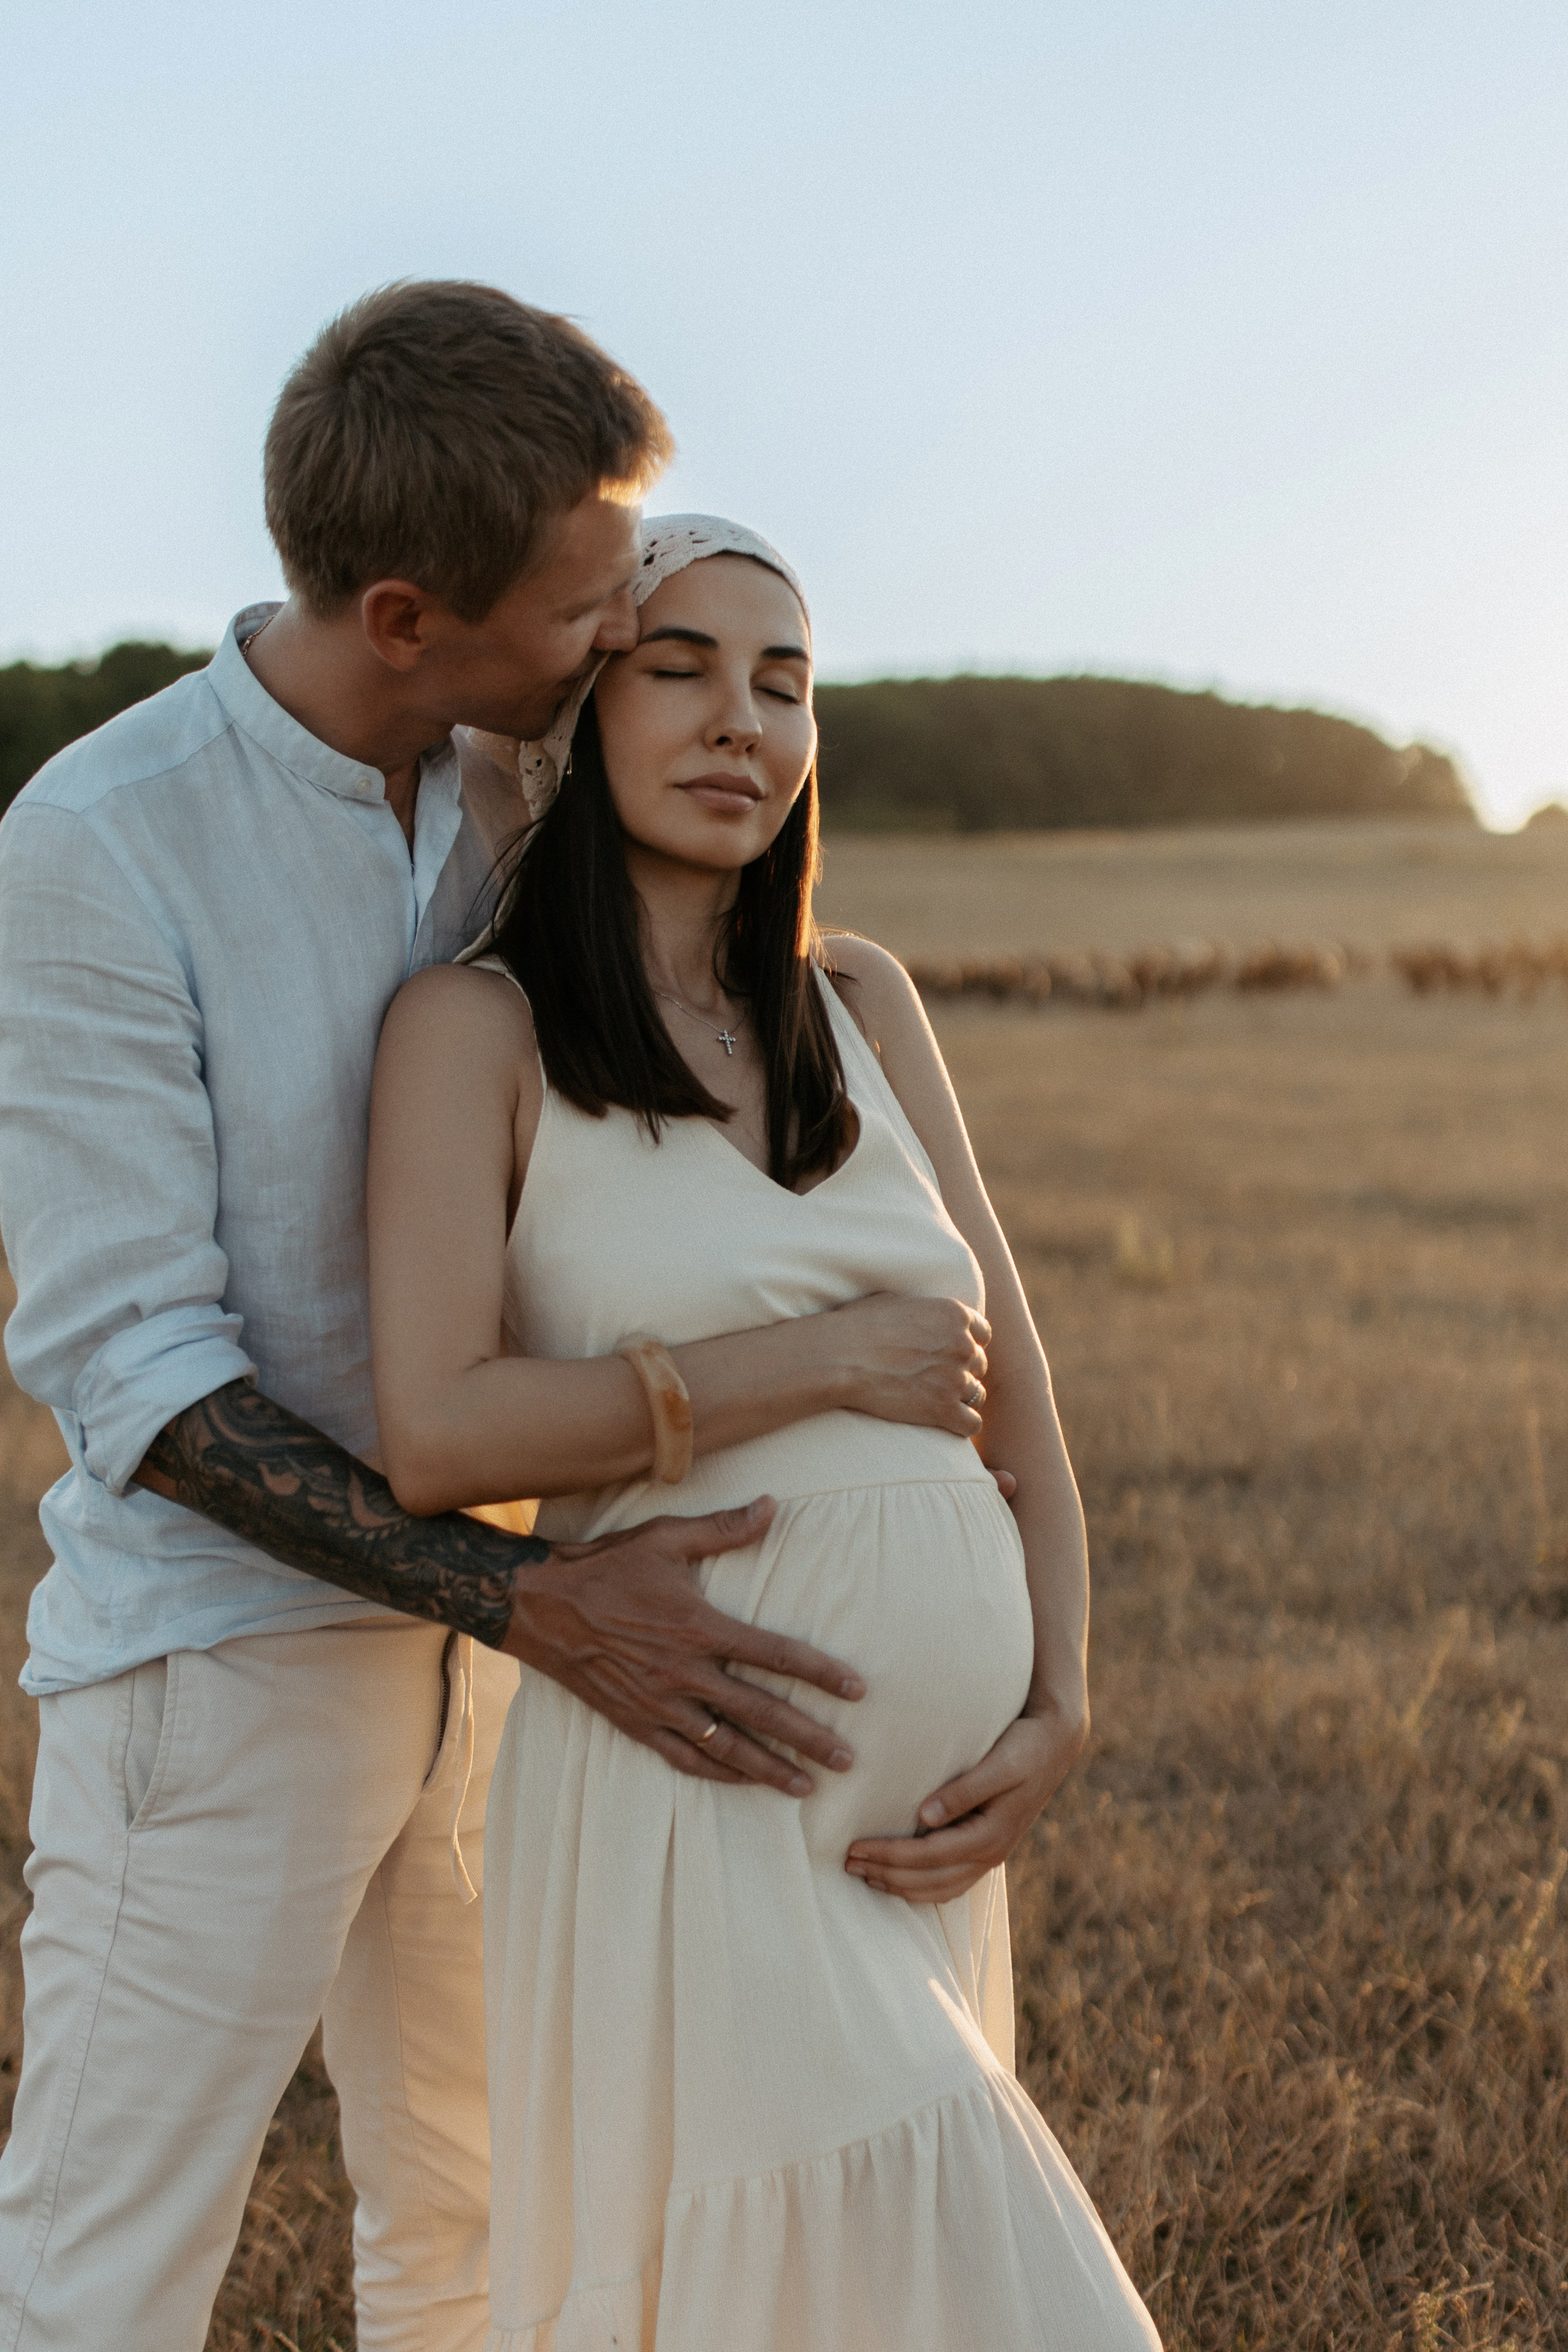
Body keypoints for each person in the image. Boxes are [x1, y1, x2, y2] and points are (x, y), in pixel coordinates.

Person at [0, 290, 990, 2352]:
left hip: (517, 1670)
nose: (617, 627)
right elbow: (148, 1388)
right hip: (222, 1671)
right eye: (583, 610)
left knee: (473, 2230)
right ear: (400, 614)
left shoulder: (502, 794)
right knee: (106, 2268)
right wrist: (532, 1602)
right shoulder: (97, 848)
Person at [368, 516, 1162, 2348]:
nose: (747, 720)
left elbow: (1011, 1387)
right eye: (684, 667)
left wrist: (1063, 1696)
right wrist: (820, 1366)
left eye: (786, 683)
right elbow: (436, 1432)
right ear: (580, 708)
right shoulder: (471, 1030)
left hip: (919, 1816)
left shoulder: (857, 1001)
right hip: (699, 1762)